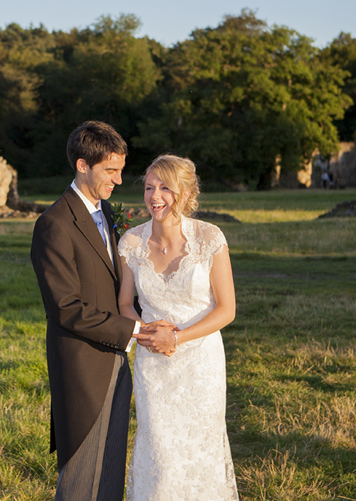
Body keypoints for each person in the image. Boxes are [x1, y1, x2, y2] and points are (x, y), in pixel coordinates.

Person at [31, 121, 147, 501]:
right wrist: (133, 331)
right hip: (82, 368)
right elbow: (65, 308)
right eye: (109, 171)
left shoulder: (107, 212)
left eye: (120, 170)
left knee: (111, 470)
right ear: (83, 165)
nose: (117, 179)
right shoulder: (54, 225)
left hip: (116, 360)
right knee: (82, 480)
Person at [119, 154, 240, 500]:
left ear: (185, 194)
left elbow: (227, 308)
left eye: (165, 189)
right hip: (153, 365)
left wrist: (178, 336)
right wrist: (144, 332)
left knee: (200, 453)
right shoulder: (131, 243)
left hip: (201, 365)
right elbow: (124, 304)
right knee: (159, 453)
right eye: (149, 187)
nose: (155, 197)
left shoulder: (209, 238)